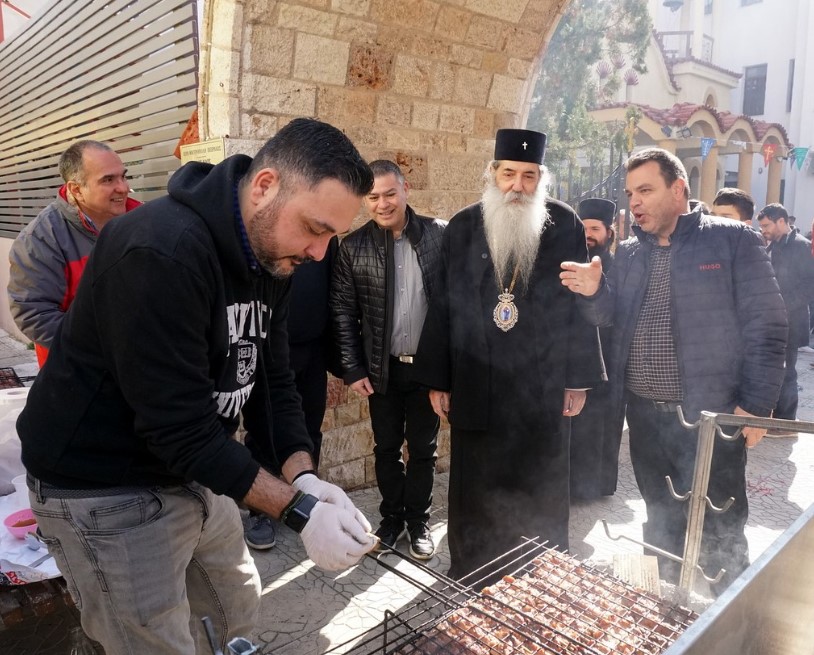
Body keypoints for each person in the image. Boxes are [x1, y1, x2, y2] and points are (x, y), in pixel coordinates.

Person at [17, 118, 377, 654]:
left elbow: (271, 379)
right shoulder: (160, 252)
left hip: (192, 468)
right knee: (152, 641)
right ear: (264, 187)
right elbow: (177, 429)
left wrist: (303, 476)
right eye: (314, 228)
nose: (319, 252)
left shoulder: (271, 256)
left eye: (331, 235)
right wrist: (298, 513)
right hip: (103, 484)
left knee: (232, 610)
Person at [561, 148, 787, 596]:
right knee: (660, 520)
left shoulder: (732, 240)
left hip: (711, 420)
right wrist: (594, 291)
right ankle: (668, 614)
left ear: (679, 188)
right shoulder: (627, 253)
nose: (635, 203)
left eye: (646, 190)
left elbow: (769, 324)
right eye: (630, 193)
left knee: (720, 530)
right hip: (645, 418)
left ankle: (728, 625)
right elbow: (612, 318)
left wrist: (755, 407)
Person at [412, 129, 603, 580]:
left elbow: (578, 302)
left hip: (542, 381)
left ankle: (541, 570)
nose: (518, 186)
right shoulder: (462, 226)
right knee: (477, 477)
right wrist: (438, 377)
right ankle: (474, 567)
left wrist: (578, 377)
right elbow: (441, 302)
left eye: (529, 176)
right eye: (509, 174)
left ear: (542, 179)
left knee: (540, 474)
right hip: (477, 378)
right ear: (493, 174)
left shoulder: (566, 224)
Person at [331, 160, 445, 560]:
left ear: (406, 189)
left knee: (424, 449)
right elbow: (343, 311)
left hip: (428, 370)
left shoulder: (438, 236)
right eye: (373, 197)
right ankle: (391, 519)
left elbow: (453, 307)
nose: (382, 204)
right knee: (386, 448)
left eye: (389, 193)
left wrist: (447, 372)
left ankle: (418, 522)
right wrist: (353, 368)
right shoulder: (353, 246)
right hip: (382, 369)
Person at [243, 236, 341, 551]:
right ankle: (260, 513)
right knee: (263, 431)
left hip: (312, 349)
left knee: (310, 428)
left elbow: (333, 293)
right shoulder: (271, 235)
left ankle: (306, 506)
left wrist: (335, 358)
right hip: (270, 350)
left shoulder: (327, 240)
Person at [8, 140, 141, 367]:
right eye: (108, 180)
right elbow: (34, 314)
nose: (123, 187)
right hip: (78, 373)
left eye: (123, 176)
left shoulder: (142, 220)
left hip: (142, 363)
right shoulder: (40, 239)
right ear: (76, 189)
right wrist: (108, 348)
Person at [570, 198, 625, 500]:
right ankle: (572, 484)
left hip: (609, 356)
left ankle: (596, 486)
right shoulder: (571, 262)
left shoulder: (619, 266)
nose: (588, 234)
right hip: (576, 356)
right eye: (583, 228)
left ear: (609, 233)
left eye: (595, 228)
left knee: (601, 424)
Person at [757, 203, 814, 434]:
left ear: (782, 221)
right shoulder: (774, 245)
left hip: (791, 320)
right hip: (773, 320)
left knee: (788, 369)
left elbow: (810, 286)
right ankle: (774, 415)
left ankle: (786, 422)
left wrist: (783, 305)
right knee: (774, 368)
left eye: (766, 225)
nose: (763, 230)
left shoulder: (802, 247)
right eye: (761, 226)